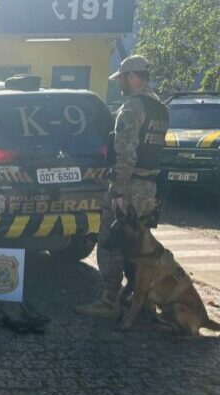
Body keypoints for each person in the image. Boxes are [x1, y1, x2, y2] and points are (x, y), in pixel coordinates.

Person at [76, 55, 169, 319]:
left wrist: (117, 190)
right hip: (149, 190)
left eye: (122, 80)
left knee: (110, 243)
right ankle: (144, 300)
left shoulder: (132, 108)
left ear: (132, 77)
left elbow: (126, 153)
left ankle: (109, 300)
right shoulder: (160, 108)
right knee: (138, 247)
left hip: (128, 188)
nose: (119, 85)